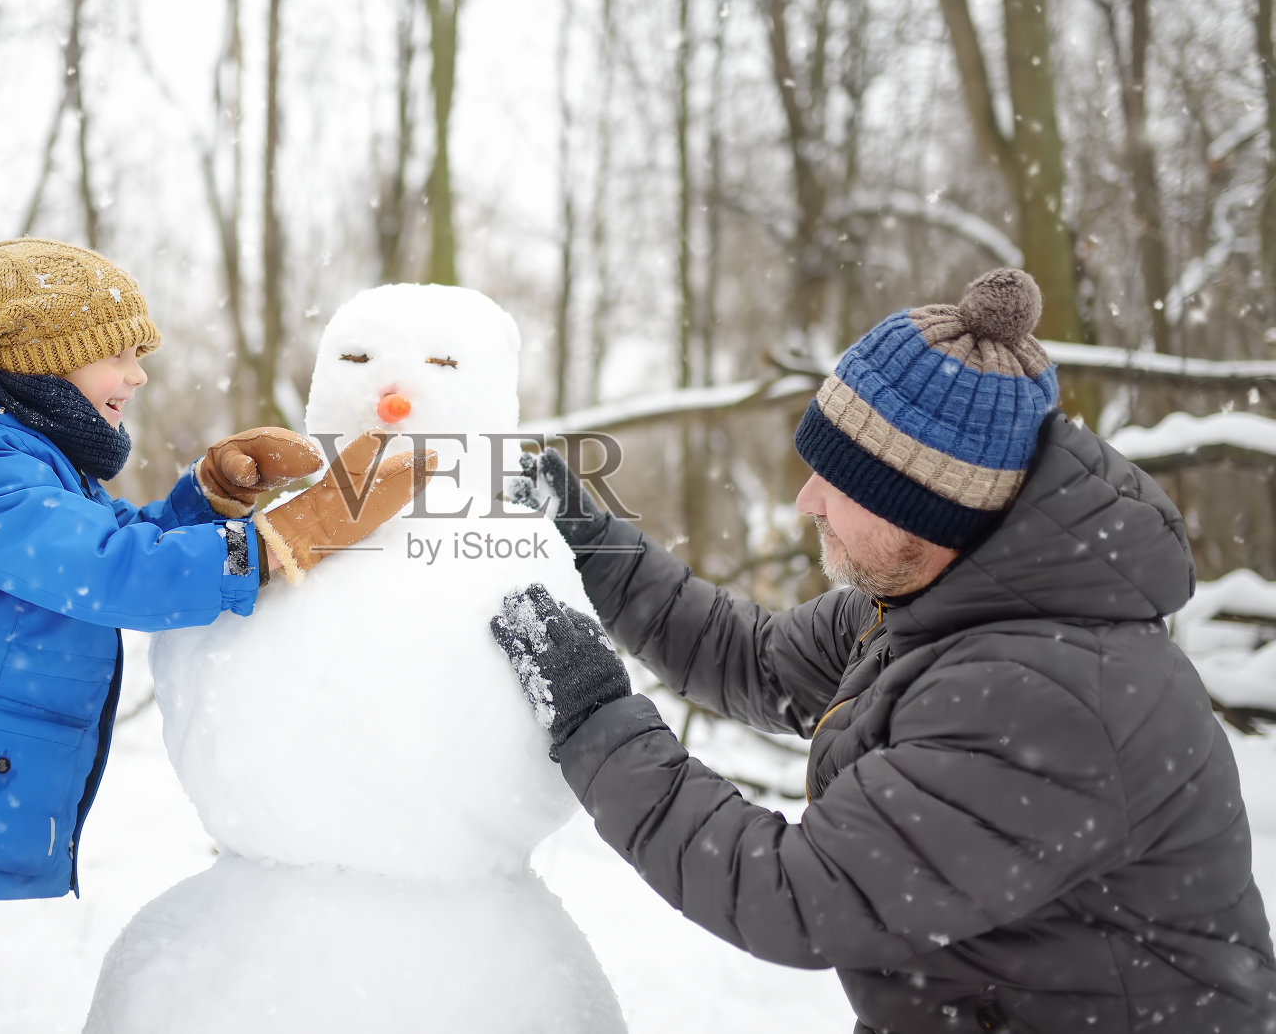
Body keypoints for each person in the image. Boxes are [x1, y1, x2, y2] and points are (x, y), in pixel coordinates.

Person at [491, 268, 1276, 1033]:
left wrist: (596, 716)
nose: (806, 503)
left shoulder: (1048, 695)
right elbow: (754, 657)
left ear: (924, 506)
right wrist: (591, 539)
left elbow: (798, 893)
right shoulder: (931, 600)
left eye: (840, 483)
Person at [0, 238, 431, 1033]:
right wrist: (278, 540)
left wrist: (207, 501)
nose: (137, 375)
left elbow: (110, 539)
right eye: (116, 354)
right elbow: (109, 569)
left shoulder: (23, 461)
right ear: (41, 359)